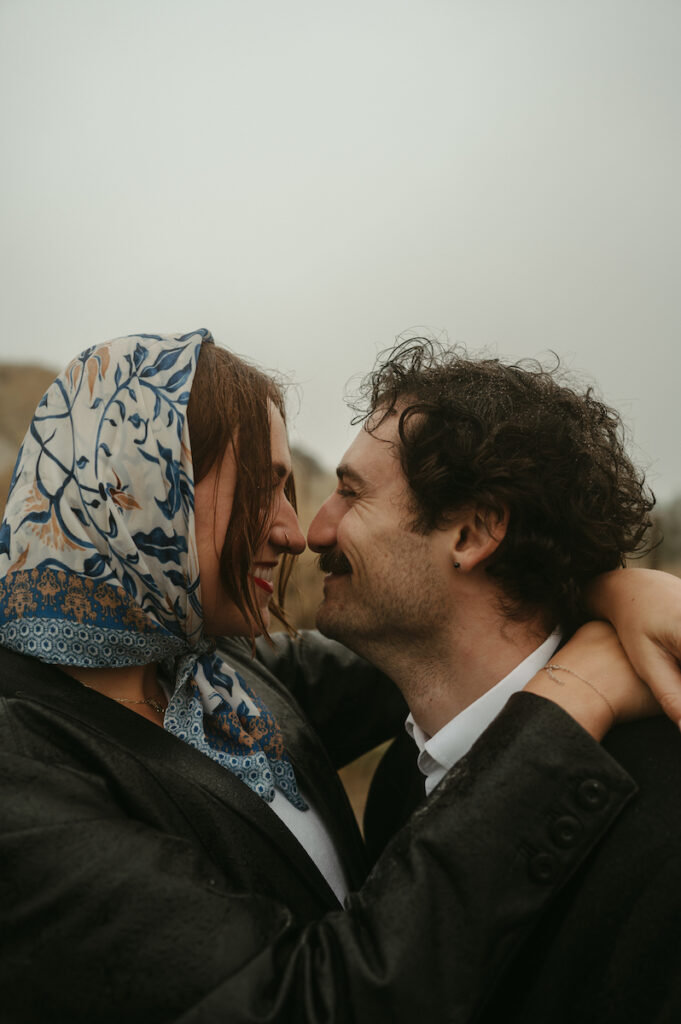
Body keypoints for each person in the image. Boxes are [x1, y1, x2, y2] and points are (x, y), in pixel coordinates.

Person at [0, 330, 676, 1024]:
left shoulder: (216, 673)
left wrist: (612, 591)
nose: (297, 531)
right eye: (261, 491)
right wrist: (572, 695)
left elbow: (453, 643)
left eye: (325, 493)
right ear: (134, 486)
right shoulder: (20, 768)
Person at [305, 337, 681, 1022]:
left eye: (351, 495)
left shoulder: (664, 810)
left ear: (472, 533)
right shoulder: (400, 779)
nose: (314, 529)